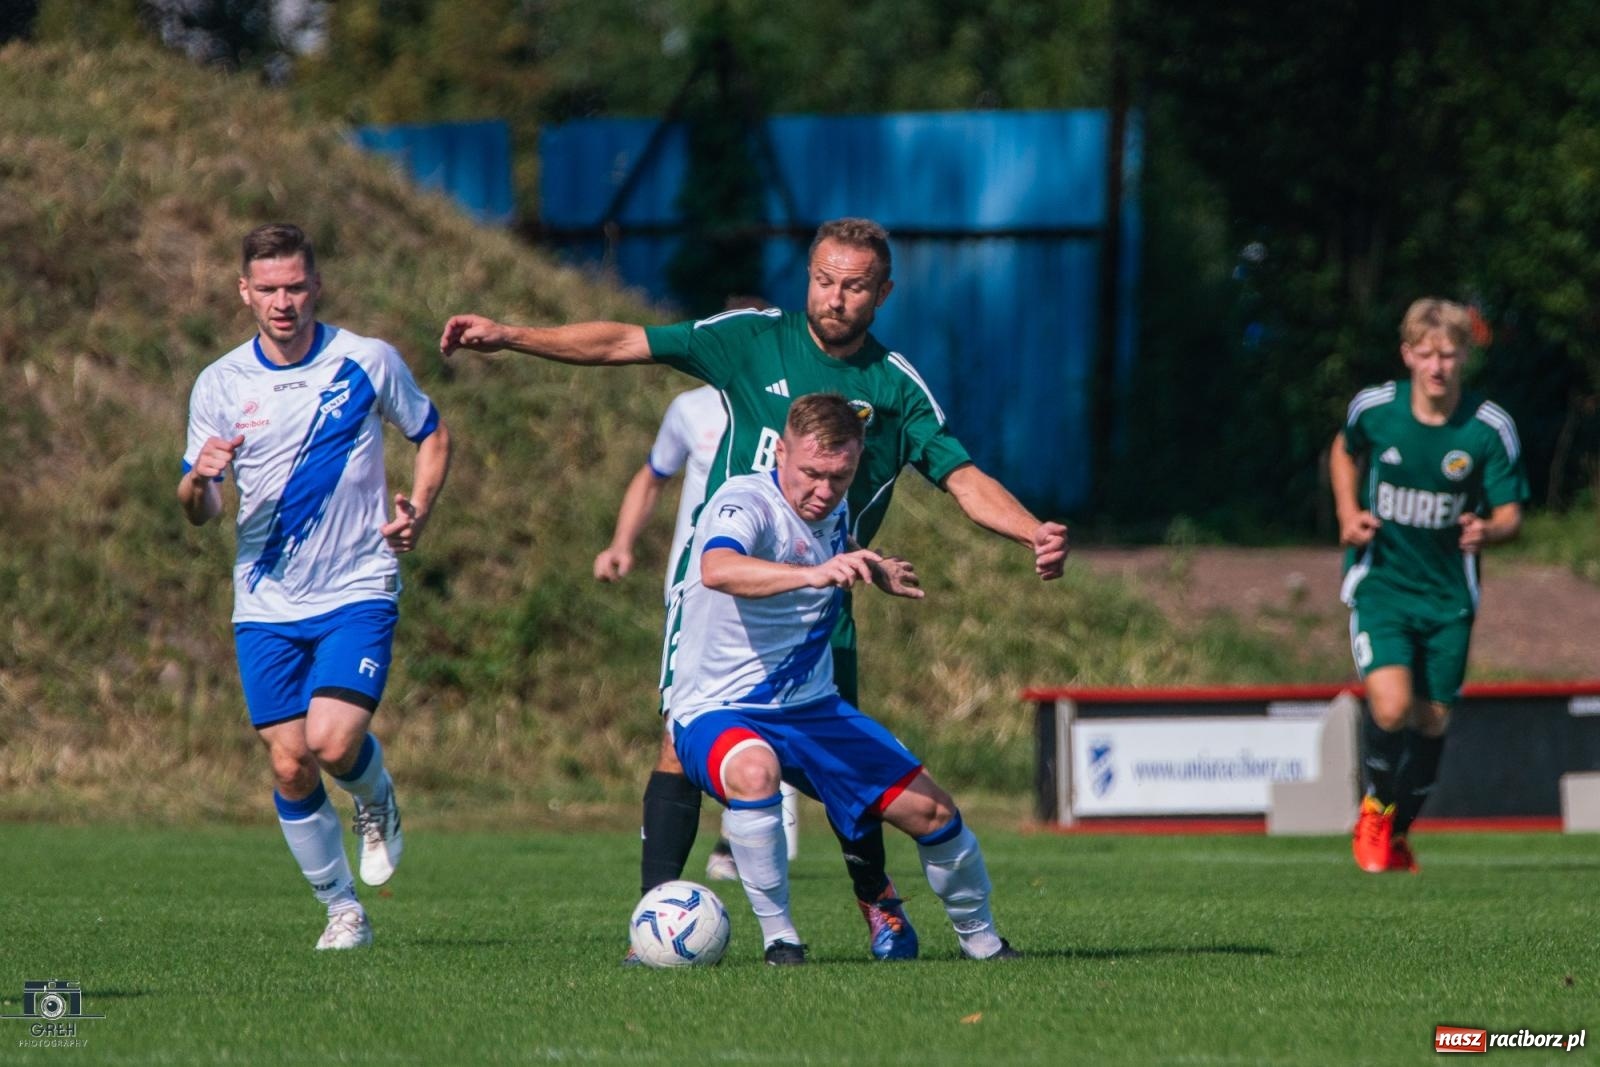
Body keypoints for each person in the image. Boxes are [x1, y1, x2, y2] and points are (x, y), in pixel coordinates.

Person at [442, 217, 1067, 960]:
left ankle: (880, 904)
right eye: (825, 279)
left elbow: (962, 477)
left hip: (826, 599)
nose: (835, 297)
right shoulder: (752, 339)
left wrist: (1033, 530)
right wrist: (512, 334)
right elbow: (626, 342)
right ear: (808, 275)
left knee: (847, 771)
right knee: (682, 744)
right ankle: (659, 920)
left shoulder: (895, 389)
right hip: (727, 590)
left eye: (855, 285)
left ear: (884, 291)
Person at [671, 393, 1019, 964]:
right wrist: (813, 575)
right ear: (780, 453)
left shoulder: (830, 506)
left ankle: (983, 944)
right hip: (718, 708)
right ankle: (781, 939)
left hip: (812, 709)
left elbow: (832, 539)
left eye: (841, 476)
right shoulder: (744, 500)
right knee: (755, 771)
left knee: (934, 813)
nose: (825, 491)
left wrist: (872, 563)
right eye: (811, 473)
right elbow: (718, 568)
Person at [180, 223, 451, 949]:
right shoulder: (221, 384)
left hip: (358, 585)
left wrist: (417, 510)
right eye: (267, 288)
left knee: (332, 743)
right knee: (289, 759)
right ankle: (343, 909)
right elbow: (202, 510)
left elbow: (431, 432)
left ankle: (376, 794)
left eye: (295, 285)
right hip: (265, 600)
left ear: (317, 284)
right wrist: (203, 479)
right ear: (244, 292)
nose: (282, 301)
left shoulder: (366, 361)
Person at [1330, 298, 1526, 874]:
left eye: (1449, 354)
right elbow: (1343, 454)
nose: (1437, 366)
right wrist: (1347, 512)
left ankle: (1397, 831)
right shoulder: (1375, 409)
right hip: (1382, 585)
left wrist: (1490, 529)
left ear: (1466, 356)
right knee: (1390, 707)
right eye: (1426, 354)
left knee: (1431, 720)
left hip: (1448, 598)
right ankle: (1372, 811)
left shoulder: (1489, 428)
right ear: (1407, 355)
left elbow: (1514, 516)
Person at [594, 369, 801, 878]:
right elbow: (653, 475)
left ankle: (746, 840)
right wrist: (622, 543)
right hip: (696, 591)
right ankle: (658, 902)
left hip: (776, 591)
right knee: (680, 728)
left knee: (776, 711)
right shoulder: (692, 408)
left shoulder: (794, 406)